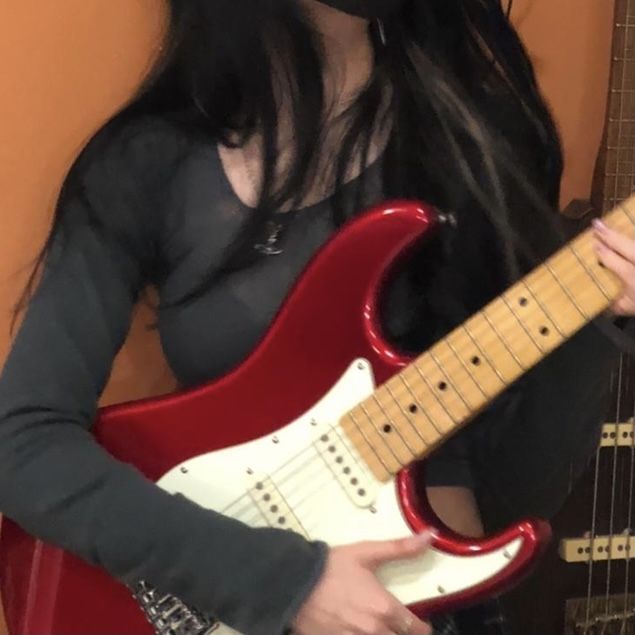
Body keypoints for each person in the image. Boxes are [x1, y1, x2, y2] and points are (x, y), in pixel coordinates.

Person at [1, 1, 634, 634]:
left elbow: (518, 495)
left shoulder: (477, 137)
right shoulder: (149, 161)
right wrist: (279, 581)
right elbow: (21, 441)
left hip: (432, 612)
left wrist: (598, 329)